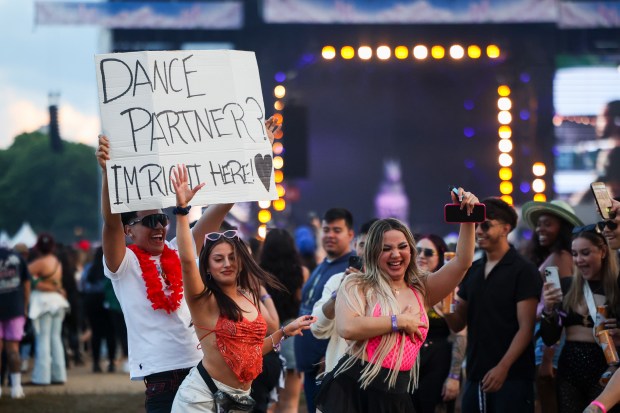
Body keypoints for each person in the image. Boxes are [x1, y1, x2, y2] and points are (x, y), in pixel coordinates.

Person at [96, 117, 281, 413]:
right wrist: (109, 174)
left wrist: (258, 150)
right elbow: (110, 221)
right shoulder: (124, 263)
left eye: (164, 219)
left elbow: (220, 207)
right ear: (129, 229)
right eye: (151, 221)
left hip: (205, 371)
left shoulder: (176, 250)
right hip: (163, 379)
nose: (160, 226)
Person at [167, 164, 316, 412]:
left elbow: (251, 352)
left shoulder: (248, 296)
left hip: (238, 402)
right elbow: (185, 259)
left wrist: (284, 332)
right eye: (218, 259)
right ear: (208, 267)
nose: (227, 263)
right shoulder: (203, 299)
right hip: (200, 401)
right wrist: (182, 212)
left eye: (232, 257)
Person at [316, 188, 478, 413]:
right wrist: (399, 321)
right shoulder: (357, 284)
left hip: (398, 393)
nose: (396, 254)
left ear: (410, 250)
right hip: (356, 388)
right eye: (386, 249)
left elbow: (462, 262)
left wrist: (467, 217)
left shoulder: (422, 287)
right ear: (373, 253)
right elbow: (347, 328)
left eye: (402, 247)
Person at [443, 197, 542, 413]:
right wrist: (444, 302)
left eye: (486, 225)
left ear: (506, 228)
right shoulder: (474, 269)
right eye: (477, 225)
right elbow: (458, 323)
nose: (478, 231)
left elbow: (526, 328)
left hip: (513, 375)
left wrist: (503, 367)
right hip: (476, 374)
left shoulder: (523, 270)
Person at [540, 226, 620, 413]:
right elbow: (550, 337)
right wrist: (549, 309)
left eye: (585, 253)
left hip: (606, 370)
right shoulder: (567, 286)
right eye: (575, 254)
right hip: (569, 370)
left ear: (602, 252)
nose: (579, 260)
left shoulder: (616, 288)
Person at [521, 199, 583, 413]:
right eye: (539, 224)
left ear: (562, 228)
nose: (540, 229)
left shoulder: (559, 258)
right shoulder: (556, 256)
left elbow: (557, 306)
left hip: (551, 342)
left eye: (548, 224)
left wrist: (548, 356)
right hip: (549, 340)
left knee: (551, 404)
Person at [295, 208, 355, 413]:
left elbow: (346, 319)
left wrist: (327, 357)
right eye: (326, 229)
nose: (330, 235)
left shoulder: (349, 270)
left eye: (337, 230)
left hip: (326, 366)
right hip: (311, 365)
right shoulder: (325, 264)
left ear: (350, 234)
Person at [311, 219, 377, 374]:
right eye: (362, 245)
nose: (366, 252)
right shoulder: (337, 281)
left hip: (377, 376)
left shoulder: (392, 286)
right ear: (355, 245)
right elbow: (317, 328)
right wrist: (339, 293)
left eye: (373, 246)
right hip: (339, 376)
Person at [412, 234, 467, 413]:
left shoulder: (450, 289)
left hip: (438, 363)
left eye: (428, 252)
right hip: (408, 364)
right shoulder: (404, 286)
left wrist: (454, 376)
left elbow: (460, 334)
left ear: (440, 258)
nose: (421, 256)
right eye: (417, 250)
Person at [259, 228, 310, 412]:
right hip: (293, 333)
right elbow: (300, 301)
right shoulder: (301, 272)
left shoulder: (259, 274)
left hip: (268, 336)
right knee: (291, 401)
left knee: (269, 401)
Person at [27, 233, 69, 386]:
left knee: (42, 339)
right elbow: (57, 284)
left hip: (43, 304)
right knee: (55, 339)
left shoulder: (39, 263)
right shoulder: (57, 262)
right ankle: (59, 375)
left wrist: (37, 283)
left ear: (38, 247)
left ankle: (42, 377)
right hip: (58, 302)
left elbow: (23, 274)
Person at [0, 245, 31, 398]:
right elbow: (26, 285)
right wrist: (25, 306)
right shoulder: (18, 258)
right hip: (15, 307)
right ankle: (16, 388)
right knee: (13, 349)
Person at [81, 247, 117, 373]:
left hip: (91, 301)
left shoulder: (88, 268)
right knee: (110, 333)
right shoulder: (110, 266)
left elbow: (83, 284)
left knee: (95, 333)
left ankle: (96, 363)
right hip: (108, 300)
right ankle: (111, 363)